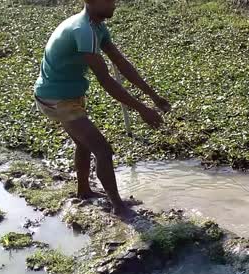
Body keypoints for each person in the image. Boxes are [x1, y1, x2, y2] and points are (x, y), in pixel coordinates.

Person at [34, 0, 170, 219]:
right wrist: (142, 109)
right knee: (103, 150)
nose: (114, 4)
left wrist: (152, 95)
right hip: (56, 98)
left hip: (70, 94)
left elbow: (120, 61)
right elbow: (106, 80)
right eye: (109, 1)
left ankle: (84, 191)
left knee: (84, 143)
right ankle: (118, 206)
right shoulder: (83, 30)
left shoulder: (97, 26)